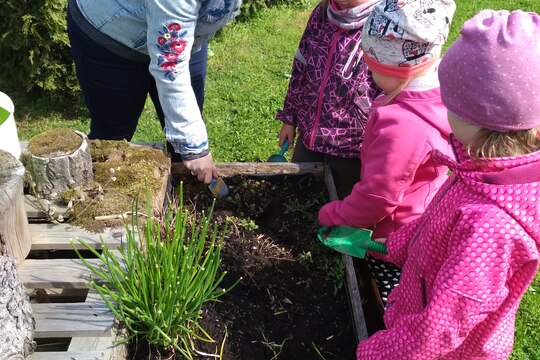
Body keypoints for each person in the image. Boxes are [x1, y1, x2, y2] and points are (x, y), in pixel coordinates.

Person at [357, 9, 540, 359]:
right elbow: (437, 221)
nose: (443, 108)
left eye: (450, 105)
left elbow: (438, 330)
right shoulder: (483, 170)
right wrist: (397, 244)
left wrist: (376, 352)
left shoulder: (491, 225)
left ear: (478, 117)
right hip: (418, 305)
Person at [66, 0, 242, 184]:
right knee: (112, 138)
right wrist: (195, 148)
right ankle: (99, 197)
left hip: (178, 32)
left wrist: (190, 147)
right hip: (112, 35)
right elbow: (170, 65)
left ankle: (184, 196)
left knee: (184, 142)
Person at [276, 0, 381, 199]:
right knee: (297, 196)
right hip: (310, 133)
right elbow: (301, 65)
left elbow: (388, 90)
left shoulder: (381, 24)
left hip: (350, 144)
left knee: (341, 203)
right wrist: (289, 118)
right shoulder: (323, 13)